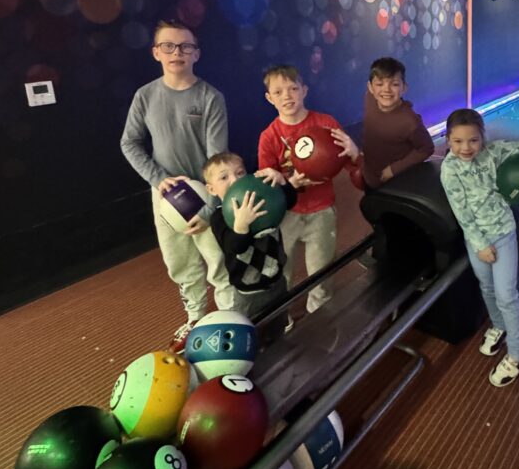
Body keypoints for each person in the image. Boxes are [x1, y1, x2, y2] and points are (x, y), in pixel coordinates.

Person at [121, 19, 236, 351]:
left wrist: (211, 204)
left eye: (186, 46)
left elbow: (218, 158)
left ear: (196, 53)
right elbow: (129, 143)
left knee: (218, 262)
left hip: (204, 197)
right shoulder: (145, 96)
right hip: (165, 199)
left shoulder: (211, 97)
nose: (177, 53)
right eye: (168, 46)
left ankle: (230, 320)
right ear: (156, 52)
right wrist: (158, 180)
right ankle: (196, 317)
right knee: (180, 263)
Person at [440, 108, 519, 387]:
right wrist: (481, 245)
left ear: (483, 137)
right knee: (487, 288)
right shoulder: (449, 169)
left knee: (507, 295)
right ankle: (498, 326)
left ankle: (516, 355)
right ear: (448, 140)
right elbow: (462, 214)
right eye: (458, 141)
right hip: (476, 240)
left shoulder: (494, 152)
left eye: (473, 140)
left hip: (504, 233)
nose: (466, 147)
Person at [258, 64, 360, 315]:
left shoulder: (326, 123)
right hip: (286, 214)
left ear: (304, 90)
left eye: (293, 88)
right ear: (269, 98)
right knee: (283, 273)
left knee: (322, 273)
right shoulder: (269, 136)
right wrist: (288, 182)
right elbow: (268, 184)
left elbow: (352, 166)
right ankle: (282, 318)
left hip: (321, 211)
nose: (287, 96)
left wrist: (355, 152)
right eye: (279, 92)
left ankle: (321, 319)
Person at [202, 152, 299, 339]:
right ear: (211, 189)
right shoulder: (219, 217)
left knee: (277, 322)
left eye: (239, 173)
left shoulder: (261, 198)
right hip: (248, 292)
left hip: (277, 280)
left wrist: (282, 182)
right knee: (249, 333)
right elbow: (234, 246)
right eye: (224, 177)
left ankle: (279, 330)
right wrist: (241, 225)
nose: (235, 180)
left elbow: (289, 201)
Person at [361, 56, 435, 189]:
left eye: (394, 84)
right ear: (370, 87)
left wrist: (394, 169)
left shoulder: (410, 121)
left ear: (404, 88)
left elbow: (427, 148)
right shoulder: (369, 99)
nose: (386, 90)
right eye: (379, 84)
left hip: (395, 181)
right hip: (369, 175)